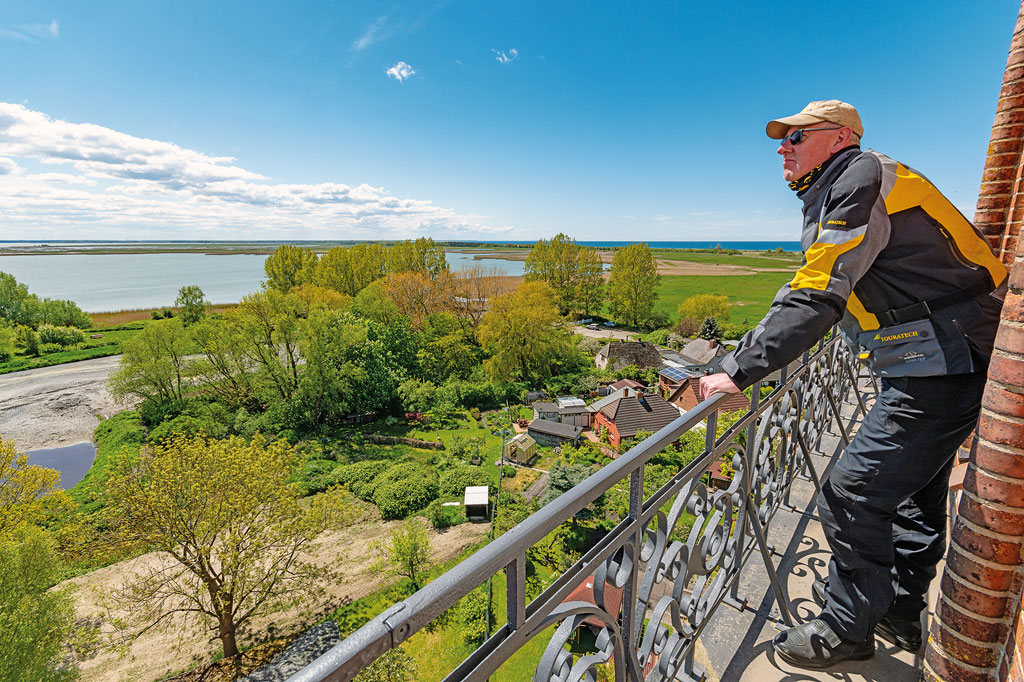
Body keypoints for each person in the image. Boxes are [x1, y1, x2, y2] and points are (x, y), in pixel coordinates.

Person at [698, 100, 1007, 669]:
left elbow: (818, 291)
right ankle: (896, 608)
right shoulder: (850, 179)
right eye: (782, 139)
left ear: (839, 137)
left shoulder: (859, 175)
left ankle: (845, 630)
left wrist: (737, 370)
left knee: (853, 489)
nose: (782, 148)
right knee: (914, 491)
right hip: (940, 354)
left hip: (946, 356)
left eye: (795, 137)